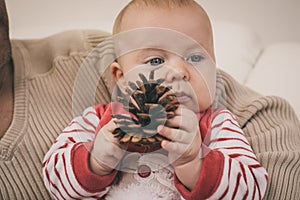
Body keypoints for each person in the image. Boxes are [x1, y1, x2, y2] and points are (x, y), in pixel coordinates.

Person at [42, 0, 268, 199]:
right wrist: (96, 161)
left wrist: (193, 163)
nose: (179, 72)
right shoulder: (99, 120)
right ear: (121, 78)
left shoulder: (218, 125)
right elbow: (54, 180)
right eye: (156, 60)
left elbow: (252, 188)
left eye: (195, 57)